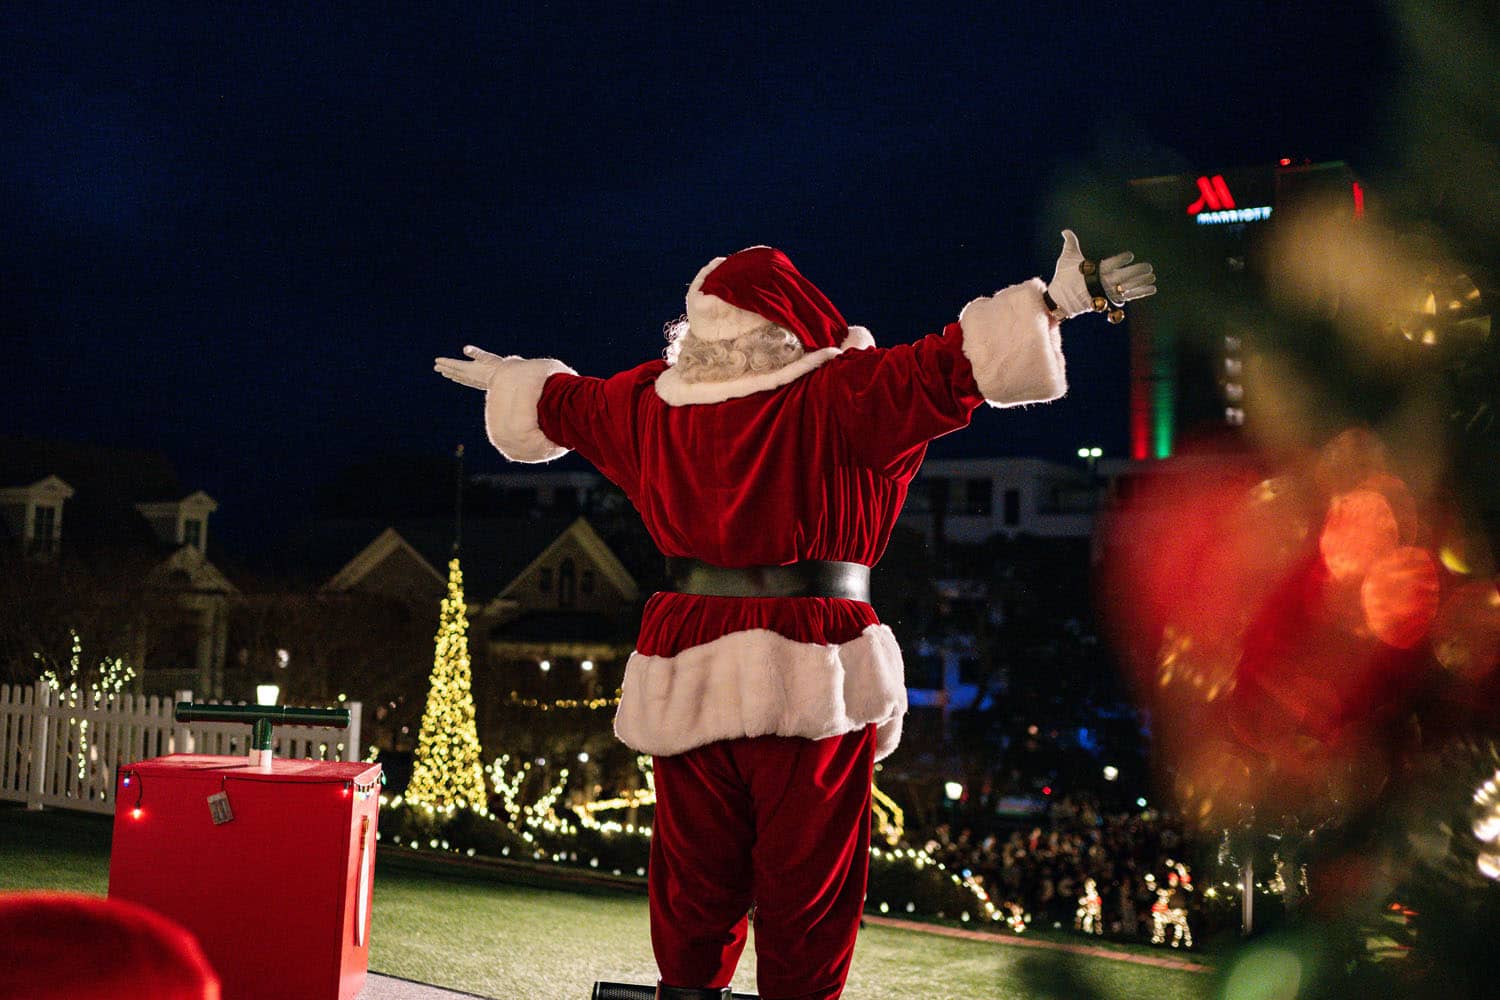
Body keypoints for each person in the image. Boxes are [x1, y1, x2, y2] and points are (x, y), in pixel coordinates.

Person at [435, 234, 1155, 1000]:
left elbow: (566, 405)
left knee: (692, 878)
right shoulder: (843, 392)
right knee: (808, 885)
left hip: (688, 663)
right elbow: (955, 366)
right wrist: (1057, 303)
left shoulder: (653, 406)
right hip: (809, 666)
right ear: (797, 327)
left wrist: (515, 383)